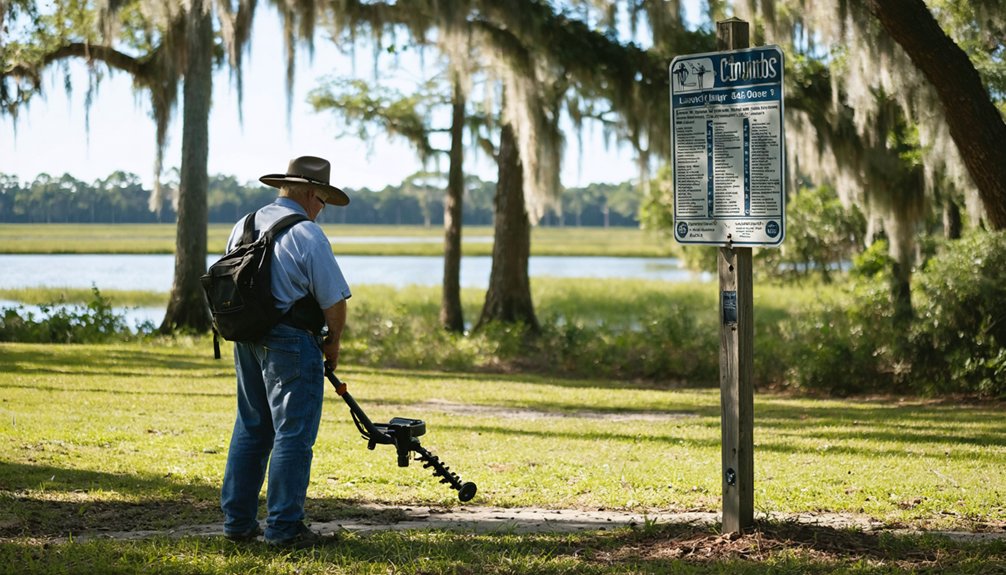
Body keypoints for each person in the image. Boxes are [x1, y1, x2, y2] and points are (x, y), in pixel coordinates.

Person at [220, 155, 351, 547]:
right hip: (291, 342)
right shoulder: (307, 233)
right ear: (313, 194)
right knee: (293, 434)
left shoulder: (243, 225)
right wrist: (333, 342)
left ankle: (238, 523)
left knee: (252, 428)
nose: (321, 209)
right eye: (322, 201)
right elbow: (334, 301)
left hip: (247, 337)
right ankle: (284, 527)